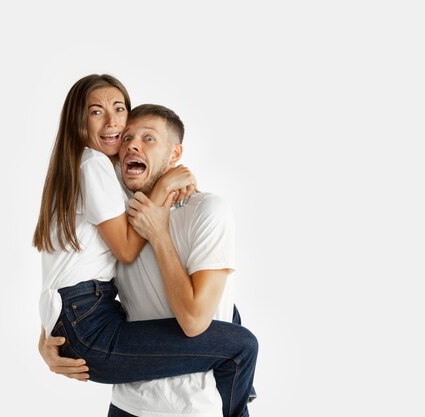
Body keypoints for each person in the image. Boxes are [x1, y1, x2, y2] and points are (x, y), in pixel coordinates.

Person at [34, 74, 258, 417]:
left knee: (236, 330)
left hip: (191, 408)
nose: (131, 144)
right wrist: (45, 339)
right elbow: (78, 267)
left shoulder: (206, 210)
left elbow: (199, 318)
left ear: (175, 154)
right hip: (128, 402)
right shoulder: (112, 198)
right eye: (127, 138)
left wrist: (161, 219)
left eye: (148, 138)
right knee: (241, 343)